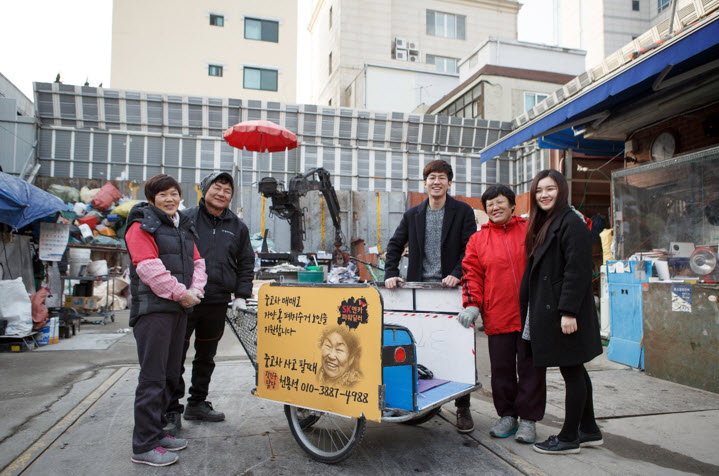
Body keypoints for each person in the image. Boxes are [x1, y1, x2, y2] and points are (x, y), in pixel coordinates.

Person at [384, 159, 477, 432]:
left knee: (458, 348)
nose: (436, 182)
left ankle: (463, 407)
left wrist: (458, 272)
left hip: (451, 290)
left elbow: (471, 248)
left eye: (442, 178)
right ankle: (417, 398)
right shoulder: (413, 214)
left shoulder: (462, 212)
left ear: (449, 183)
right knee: (420, 345)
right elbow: (394, 244)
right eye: (432, 177)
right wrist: (391, 271)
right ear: (425, 183)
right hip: (419, 291)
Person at [519, 169, 603, 455]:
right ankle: (589, 430)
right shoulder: (547, 221)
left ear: (562, 190)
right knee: (575, 367)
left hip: (566, 312)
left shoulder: (571, 222)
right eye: (539, 190)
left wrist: (568, 312)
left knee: (571, 370)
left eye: (550, 188)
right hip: (553, 308)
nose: (544, 194)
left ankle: (569, 437)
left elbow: (577, 271)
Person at [125, 174, 207, 466]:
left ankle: (157, 431)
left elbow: (198, 262)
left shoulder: (182, 226)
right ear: (151, 199)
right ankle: (143, 444)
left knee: (171, 373)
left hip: (178, 310)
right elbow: (148, 268)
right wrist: (181, 293)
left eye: (174, 193)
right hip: (154, 311)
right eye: (162, 195)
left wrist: (195, 290)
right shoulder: (140, 226)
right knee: (153, 377)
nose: (169, 199)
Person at [165, 172, 255, 431]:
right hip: (185, 300)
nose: (222, 193)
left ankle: (197, 403)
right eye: (217, 188)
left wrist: (241, 295)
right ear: (205, 190)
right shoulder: (185, 219)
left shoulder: (238, 227)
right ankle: (171, 409)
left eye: (227, 190)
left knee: (206, 355)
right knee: (176, 355)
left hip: (216, 301)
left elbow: (246, 262)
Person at [458, 185, 546, 444]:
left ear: (511, 205)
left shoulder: (530, 229)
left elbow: (557, 247)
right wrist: (472, 304)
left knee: (531, 369)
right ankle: (507, 416)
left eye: (500, 202)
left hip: (530, 313)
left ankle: (529, 420)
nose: (495, 208)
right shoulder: (478, 240)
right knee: (502, 370)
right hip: (497, 314)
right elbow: (471, 274)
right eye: (490, 205)